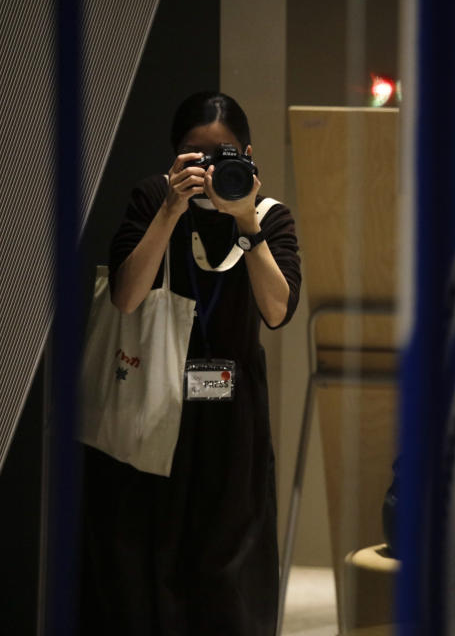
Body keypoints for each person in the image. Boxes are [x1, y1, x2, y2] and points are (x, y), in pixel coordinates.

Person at [78, 91, 301, 635]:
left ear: (246, 156)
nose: (208, 169)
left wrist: (247, 224)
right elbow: (126, 297)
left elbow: (277, 311)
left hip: (231, 418)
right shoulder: (153, 198)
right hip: (153, 406)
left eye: (222, 155)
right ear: (175, 157)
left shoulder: (270, 217)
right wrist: (169, 211)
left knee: (229, 567)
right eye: (195, 156)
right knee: (148, 561)